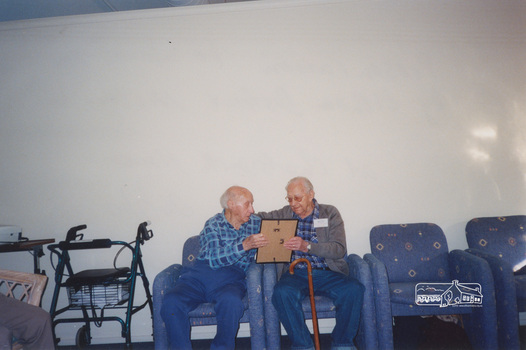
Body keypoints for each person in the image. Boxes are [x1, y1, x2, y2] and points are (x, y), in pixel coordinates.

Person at [259, 176, 364, 350]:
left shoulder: (330, 213)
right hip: (296, 273)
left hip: (328, 272)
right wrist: (240, 213)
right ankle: (303, 345)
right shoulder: (284, 213)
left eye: (297, 198)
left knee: (353, 289)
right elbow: (260, 218)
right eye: (289, 198)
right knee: (281, 293)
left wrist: (307, 246)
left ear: (311, 194)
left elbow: (339, 249)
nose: (293, 203)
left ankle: (342, 343)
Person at [161, 186, 268, 350]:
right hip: (200, 276)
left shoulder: (256, 223)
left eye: (252, 204)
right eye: (247, 204)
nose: (252, 209)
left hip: (231, 280)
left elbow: (278, 226)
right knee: (171, 301)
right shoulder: (213, 224)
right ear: (231, 204)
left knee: (231, 303)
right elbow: (213, 258)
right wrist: (244, 246)